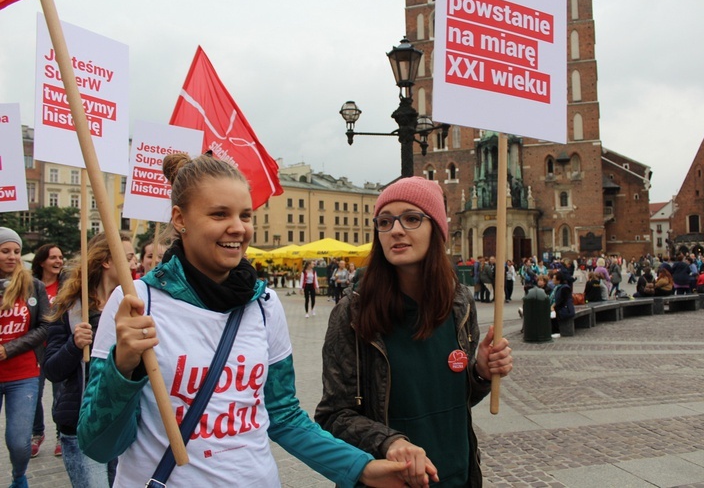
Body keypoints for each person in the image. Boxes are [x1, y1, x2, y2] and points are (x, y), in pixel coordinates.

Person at [76, 152, 408, 487]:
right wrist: (123, 367)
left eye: (245, 215)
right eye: (219, 214)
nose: (238, 228)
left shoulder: (265, 305)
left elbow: (284, 416)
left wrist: (361, 467)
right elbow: (99, 444)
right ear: (180, 218)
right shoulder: (136, 302)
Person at [315, 176, 514, 487]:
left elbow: (452, 402)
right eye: (385, 221)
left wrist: (481, 373)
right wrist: (389, 442)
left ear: (436, 229)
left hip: (458, 476)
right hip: (392, 481)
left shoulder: (460, 304)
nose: (396, 229)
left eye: (411, 218)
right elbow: (334, 415)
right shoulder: (353, 312)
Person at [44, 233, 134, 487]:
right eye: (128, 257)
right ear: (106, 260)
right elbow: (52, 370)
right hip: (81, 424)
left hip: (120, 422)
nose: (134, 264)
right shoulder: (71, 308)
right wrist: (74, 345)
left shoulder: (132, 307)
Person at [0, 227, 51, 488]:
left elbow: (45, 326)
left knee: (19, 441)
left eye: (16, 251)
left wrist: (9, 349)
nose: (12, 256)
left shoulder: (33, 286)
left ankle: (18, 477)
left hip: (24, 374)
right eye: (5, 251)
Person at [30, 243, 66, 458]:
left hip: (59, 347)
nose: (58, 261)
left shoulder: (67, 284)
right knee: (34, 393)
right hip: (36, 348)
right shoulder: (31, 286)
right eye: (53, 257)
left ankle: (61, 435)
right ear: (42, 261)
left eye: (60, 257)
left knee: (60, 394)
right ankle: (37, 433)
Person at [551, 271, 574, 338]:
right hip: (560, 307)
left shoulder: (565, 288)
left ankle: (556, 331)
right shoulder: (557, 287)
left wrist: (552, 306)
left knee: (552, 313)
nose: (553, 280)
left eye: (554, 278)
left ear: (558, 280)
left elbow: (562, 300)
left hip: (565, 309)